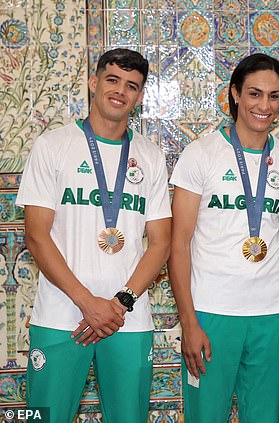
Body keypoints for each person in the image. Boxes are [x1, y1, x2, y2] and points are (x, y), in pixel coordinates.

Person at [16, 48, 172, 422]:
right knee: (44, 417)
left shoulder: (150, 156)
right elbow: (36, 235)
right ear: (94, 82)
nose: (121, 91)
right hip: (61, 315)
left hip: (128, 320)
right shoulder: (52, 146)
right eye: (113, 80)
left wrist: (119, 303)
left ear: (139, 96)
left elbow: (162, 241)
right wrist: (87, 302)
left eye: (132, 86)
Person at [169, 53, 279, 423]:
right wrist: (189, 322)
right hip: (212, 312)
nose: (265, 105)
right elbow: (177, 244)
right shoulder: (201, 154)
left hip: (270, 313)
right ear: (235, 94)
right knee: (206, 416)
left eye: (274, 96)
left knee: (262, 417)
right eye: (255, 94)